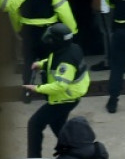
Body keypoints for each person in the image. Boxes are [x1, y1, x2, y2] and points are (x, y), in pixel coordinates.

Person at [7, 0, 78, 100]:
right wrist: (72, 30)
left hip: (27, 31)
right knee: (49, 63)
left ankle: (26, 92)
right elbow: (64, 12)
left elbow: (13, 11)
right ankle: (48, 92)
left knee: (28, 62)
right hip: (49, 33)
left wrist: (18, 29)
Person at [23, 23, 90, 159]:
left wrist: (37, 88)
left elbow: (60, 86)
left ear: (57, 41)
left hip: (64, 99)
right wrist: (41, 64)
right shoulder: (71, 48)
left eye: (51, 39)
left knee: (35, 125)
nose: (48, 41)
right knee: (59, 128)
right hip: (66, 97)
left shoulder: (66, 63)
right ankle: (77, 153)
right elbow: (54, 60)